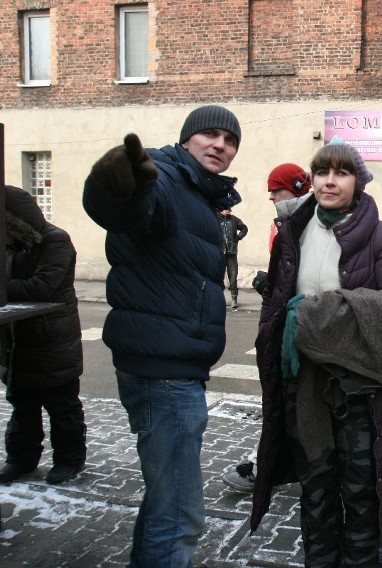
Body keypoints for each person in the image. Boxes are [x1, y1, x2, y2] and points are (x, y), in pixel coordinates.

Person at [249, 143, 382, 566]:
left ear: (358, 181)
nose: (329, 180)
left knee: (361, 494)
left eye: (342, 172)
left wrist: (320, 316)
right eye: (321, 171)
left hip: (358, 391)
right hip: (302, 384)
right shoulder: (293, 232)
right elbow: (279, 300)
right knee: (316, 490)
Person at [82, 104, 242, 566]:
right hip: (164, 373)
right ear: (187, 139)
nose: (220, 145)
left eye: (229, 141)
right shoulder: (166, 179)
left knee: (165, 506)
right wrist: (115, 184)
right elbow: (128, 206)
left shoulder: (200, 194)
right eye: (210, 135)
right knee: (178, 516)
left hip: (174, 367)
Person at [222, 163, 312, 493]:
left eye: (278, 189)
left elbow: (305, 282)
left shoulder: (309, 223)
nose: (271, 194)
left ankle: (273, 468)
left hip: (298, 331)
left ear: (298, 187)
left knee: (289, 406)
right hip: (280, 327)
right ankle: (277, 465)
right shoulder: (286, 223)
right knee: (281, 405)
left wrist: (273, 292)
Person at [0, 185, 86, 485]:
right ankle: (20, 460)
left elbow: (42, 287)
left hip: (53, 340)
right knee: (22, 405)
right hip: (18, 340)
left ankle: (69, 461)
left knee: (62, 407)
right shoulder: (14, 245)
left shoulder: (55, 240)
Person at [219, 208, 248, 308]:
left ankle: (234, 299)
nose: (229, 211)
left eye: (229, 209)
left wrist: (238, 238)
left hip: (232, 252)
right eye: (227, 209)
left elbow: (244, 228)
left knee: (233, 275)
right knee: (219, 276)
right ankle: (219, 298)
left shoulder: (234, 220)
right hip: (219, 253)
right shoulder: (215, 220)